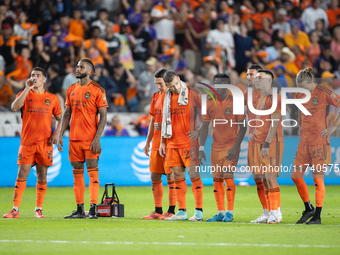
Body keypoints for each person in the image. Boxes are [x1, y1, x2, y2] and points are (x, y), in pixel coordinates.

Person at [3, 67, 62, 218]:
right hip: (27, 142)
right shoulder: (25, 94)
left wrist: (57, 132)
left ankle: (38, 209)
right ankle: (15, 210)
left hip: (45, 142)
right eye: (32, 75)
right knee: (22, 174)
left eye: (38, 75)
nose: (35, 77)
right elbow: (14, 107)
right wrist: (26, 88)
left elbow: (60, 118)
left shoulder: (52, 98)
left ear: (44, 79)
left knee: (42, 176)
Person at [57, 59, 108, 219]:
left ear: (91, 71)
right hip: (74, 140)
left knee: (93, 173)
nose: (77, 68)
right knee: (77, 174)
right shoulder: (71, 89)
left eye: (81, 66)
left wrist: (97, 138)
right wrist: (60, 134)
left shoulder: (97, 89)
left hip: (90, 140)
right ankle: (80, 210)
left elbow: (104, 116)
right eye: (77, 66)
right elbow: (66, 114)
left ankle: (93, 209)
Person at [292, 67, 340, 224]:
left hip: (319, 142)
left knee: (318, 180)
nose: (301, 90)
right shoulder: (299, 93)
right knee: (295, 176)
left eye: (304, 87)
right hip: (303, 142)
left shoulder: (324, 92)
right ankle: (308, 208)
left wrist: (334, 125)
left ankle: (317, 216)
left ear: (311, 82)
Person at [199, 74, 247, 222]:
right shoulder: (209, 103)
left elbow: (243, 126)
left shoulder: (235, 102)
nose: (216, 87)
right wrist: (201, 148)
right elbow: (205, 127)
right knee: (217, 180)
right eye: (215, 84)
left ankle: (230, 212)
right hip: (215, 147)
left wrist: (236, 147)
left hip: (231, 146)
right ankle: (220, 213)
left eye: (220, 84)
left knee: (228, 176)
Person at [159, 70, 203, 221]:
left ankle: (198, 212)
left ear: (179, 79)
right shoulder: (166, 97)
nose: (175, 88)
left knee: (194, 175)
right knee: (177, 177)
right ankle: (182, 211)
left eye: (176, 84)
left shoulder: (193, 93)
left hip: (189, 143)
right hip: (172, 143)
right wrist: (163, 143)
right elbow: (164, 121)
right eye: (171, 86)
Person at [142, 68, 176, 220]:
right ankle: (158, 211)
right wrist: (148, 141)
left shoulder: (175, 97)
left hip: (170, 142)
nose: (158, 87)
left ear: (168, 82)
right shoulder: (156, 96)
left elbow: (178, 120)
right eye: (156, 84)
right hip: (156, 142)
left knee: (171, 177)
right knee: (154, 176)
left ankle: (172, 211)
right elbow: (152, 120)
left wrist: (163, 127)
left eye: (160, 83)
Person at [251, 69, 284, 224]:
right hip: (260, 142)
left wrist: (267, 143)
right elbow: (262, 122)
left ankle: (276, 213)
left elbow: (275, 122)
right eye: (256, 78)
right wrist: (254, 134)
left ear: (269, 81)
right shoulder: (261, 98)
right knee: (264, 178)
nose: (256, 80)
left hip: (272, 143)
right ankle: (269, 212)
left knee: (270, 178)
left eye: (260, 78)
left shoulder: (274, 97)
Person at [244, 64, 271, 223]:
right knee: (257, 177)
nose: (249, 77)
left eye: (252, 74)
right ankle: (266, 211)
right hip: (253, 140)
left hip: (265, 140)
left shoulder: (268, 93)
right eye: (247, 74)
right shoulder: (247, 93)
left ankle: (275, 211)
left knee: (268, 177)